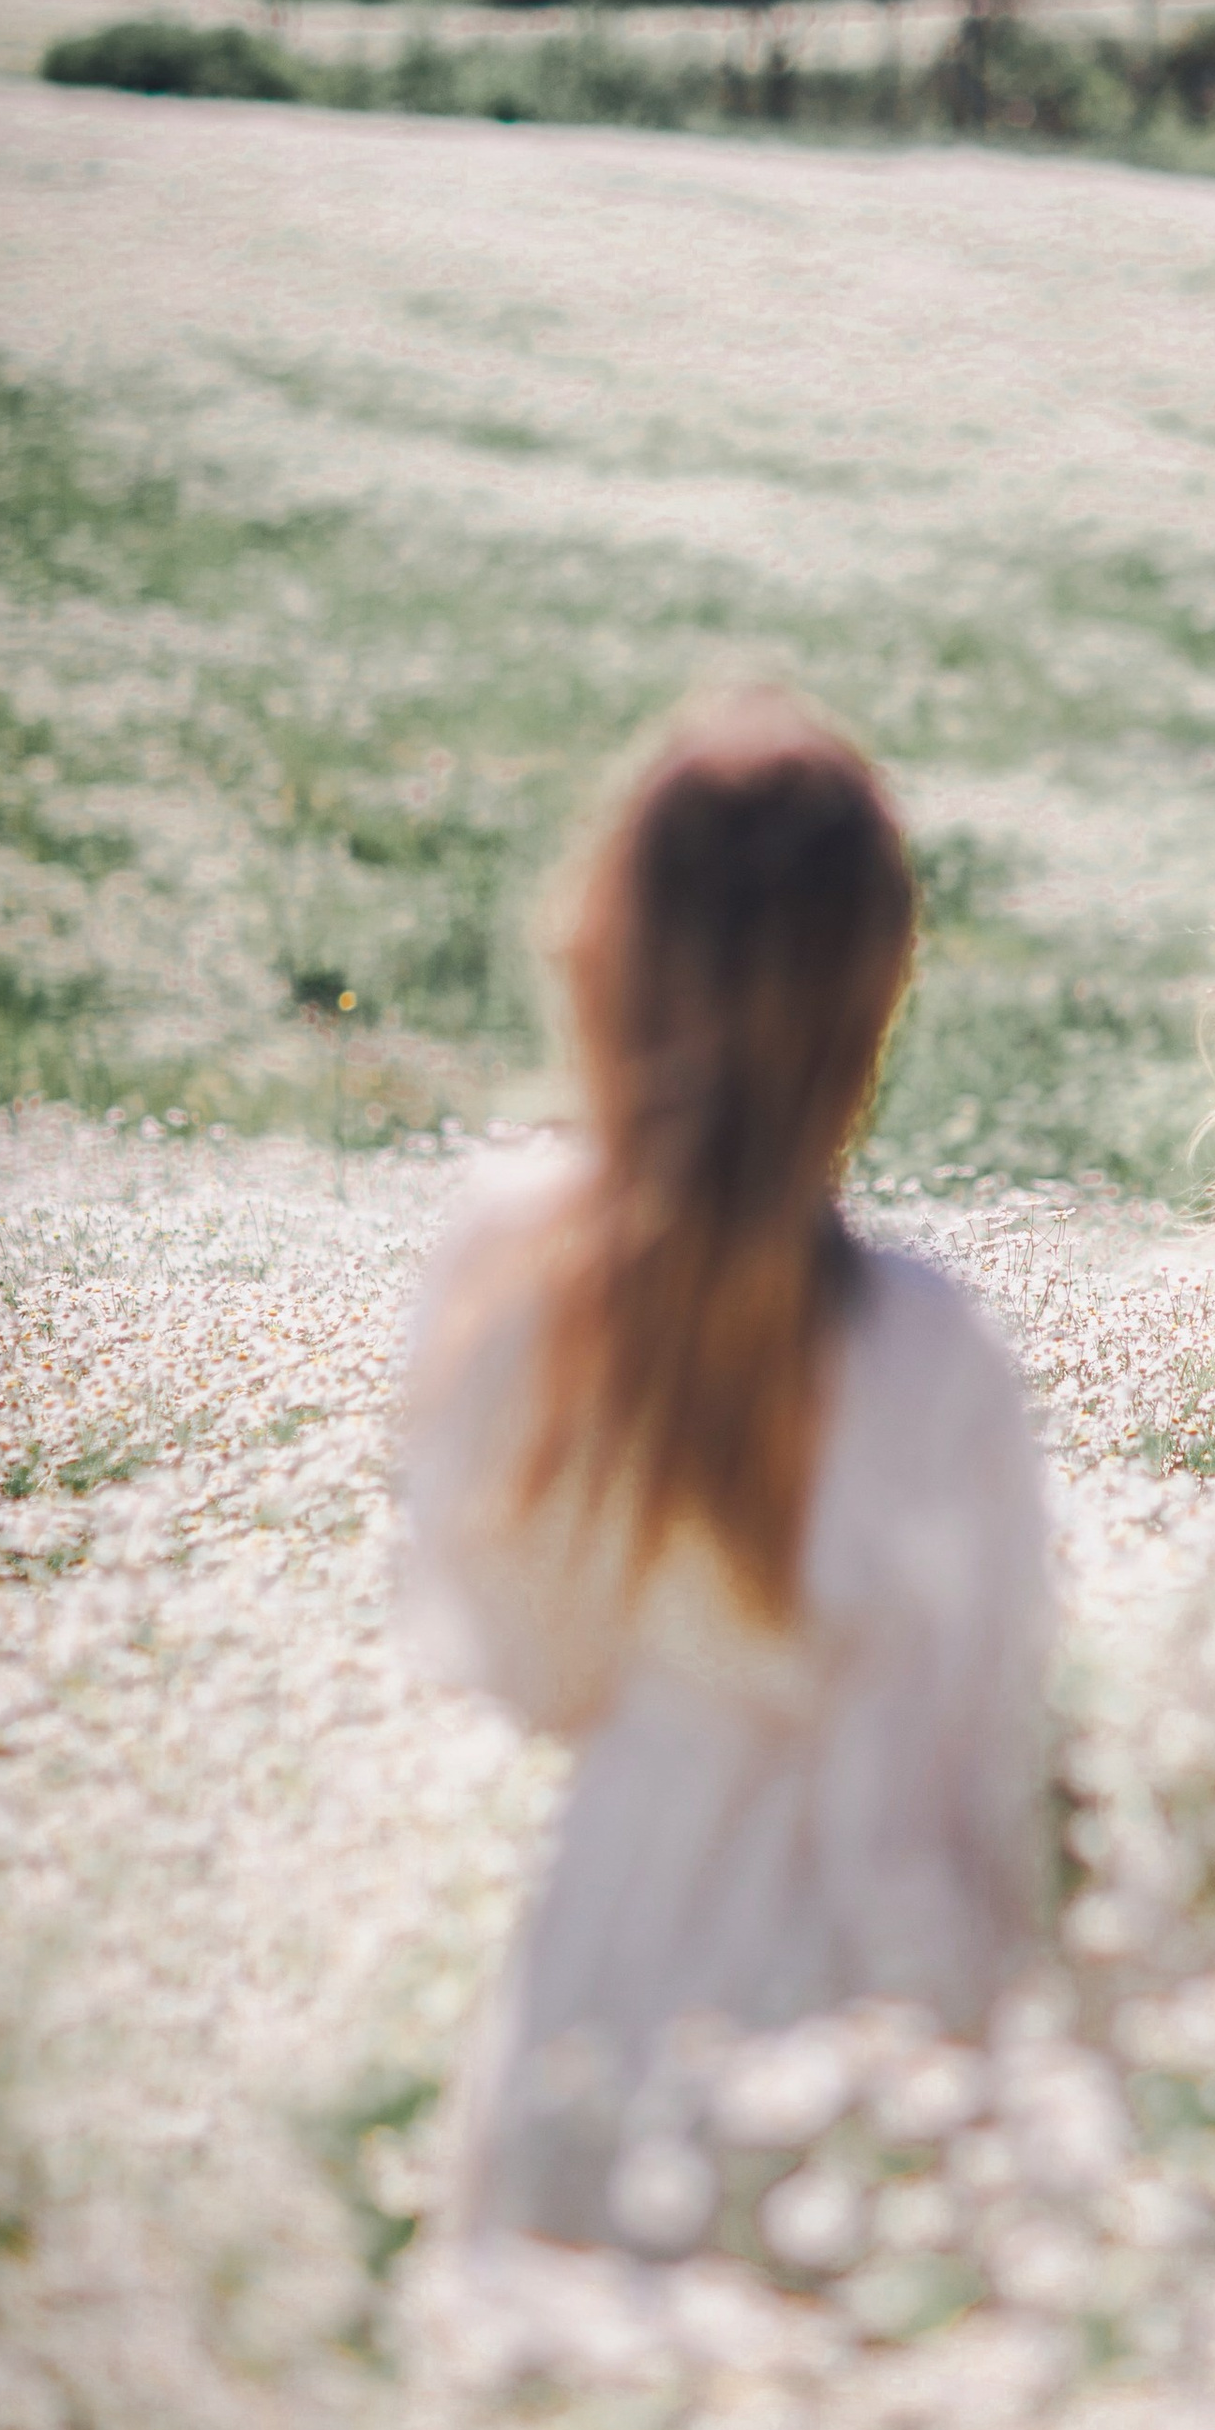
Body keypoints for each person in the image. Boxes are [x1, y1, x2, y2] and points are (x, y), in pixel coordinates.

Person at [398, 692, 1051, 2254]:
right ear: (871, 994)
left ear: (604, 951)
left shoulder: (513, 1266)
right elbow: (991, 1766)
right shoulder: (931, 1348)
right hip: (865, 1990)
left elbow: (520, 1667)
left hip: (609, 1941)